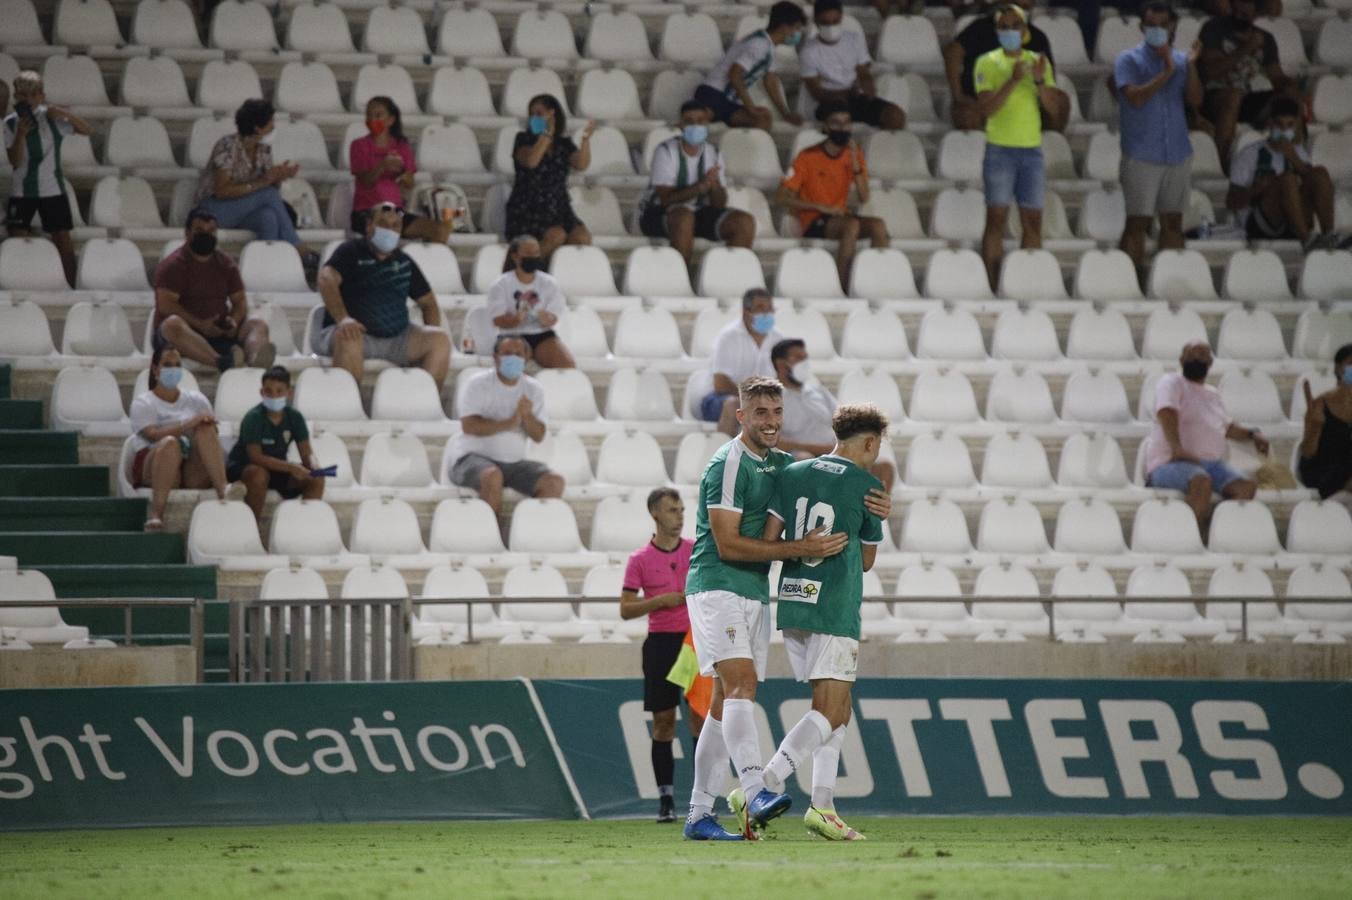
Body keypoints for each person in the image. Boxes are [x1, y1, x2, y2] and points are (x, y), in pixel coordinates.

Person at [681, 376, 891, 842]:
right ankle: (756, 788)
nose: (771, 422)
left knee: (721, 703)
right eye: (760, 413)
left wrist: (874, 503)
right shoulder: (727, 464)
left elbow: (819, 485)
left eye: (776, 413)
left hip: (755, 590)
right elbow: (727, 543)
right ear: (741, 416)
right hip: (716, 583)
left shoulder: (782, 465)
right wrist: (802, 546)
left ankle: (698, 813)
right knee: (742, 686)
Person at [759, 402, 889, 842]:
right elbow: (867, 560)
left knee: (839, 709)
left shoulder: (792, 474)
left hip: (794, 602)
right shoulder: (868, 487)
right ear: (870, 442)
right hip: (835, 605)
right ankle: (764, 784)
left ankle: (824, 806)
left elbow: (769, 541)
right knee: (830, 709)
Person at [620, 487, 703, 824]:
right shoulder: (639, 559)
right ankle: (666, 799)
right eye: (672, 510)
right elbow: (625, 609)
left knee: (700, 718)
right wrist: (660, 601)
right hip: (660, 645)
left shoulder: (696, 551)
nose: (680, 515)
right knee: (664, 722)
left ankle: (703, 797)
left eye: (682, 510)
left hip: (693, 642)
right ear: (655, 513)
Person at [974, 4, 1065, 291]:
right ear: (996, 31)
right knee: (996, 220)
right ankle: (992, 285)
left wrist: (1038, 81)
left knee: (1033, 221)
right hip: (999, 149)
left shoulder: (1039, 61)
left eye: (1015, 26)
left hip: (1031, 150)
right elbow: (987, 109)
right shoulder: (986, 62)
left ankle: (1027, 284)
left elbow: (1053, 109)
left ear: (1024, 31)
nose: (1009, 31)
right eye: (1003, 26)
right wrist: (1013, 82)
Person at [315, 201, 452, 388]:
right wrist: (343, 319)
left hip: (398, 338)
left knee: (439, 340)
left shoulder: (405, 262)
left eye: (396, 226)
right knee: (349, 338)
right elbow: (326, 279)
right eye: (384, 224)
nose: (390, 230)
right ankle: (349, 406)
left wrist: (431, 327)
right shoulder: (351, 251)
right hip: (357, 334)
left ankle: (423, 401)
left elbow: (428, 302)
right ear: (369, 226)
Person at [1115, 3, 1203, 270]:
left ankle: (1165, 281)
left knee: (1173, 222)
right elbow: (1136, 98)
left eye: (1163, 25)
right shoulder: (1128, 59)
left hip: (1177, 152)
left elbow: (1196, 100)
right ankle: (1129, 282)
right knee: (1137, 223)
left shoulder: (1181, 61)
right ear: (1142, 28)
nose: (1157, 30)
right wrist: (1166, 72)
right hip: (1142, 154)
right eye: (1151, 25)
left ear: (1172, 27)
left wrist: (1190, 66)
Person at [1145, 341, 1269, 526]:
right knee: (1201, 481)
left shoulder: (1213, 394)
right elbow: (1166, 412)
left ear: (1210, 363)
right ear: (1181, 360)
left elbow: (1227, 428)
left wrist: (1253, 434)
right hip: (1170, 463)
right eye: (1192, 355)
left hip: (1211, 465)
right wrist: (1178, 449)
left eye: (1202, 356)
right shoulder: (1171, 382)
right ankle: (1185, 538)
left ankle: (1211, 533)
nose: (1197, 359)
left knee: (1246, 487)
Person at [445, 334, 564, 521]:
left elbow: (539, 435)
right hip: (470, 459)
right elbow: (469, 426)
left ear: (527, 358)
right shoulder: (477, 384)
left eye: (518, 354)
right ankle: (492, 540)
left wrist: (527, 416)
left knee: (554, 482)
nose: (513, 358)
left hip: (513, 463)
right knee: (493, 476)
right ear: (495, 357)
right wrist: (510, 422)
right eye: (507, 353)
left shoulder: (534, 389)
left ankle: (526, 537)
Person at [776, 101, 887, 293]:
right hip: (814, 218)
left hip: (840, 216)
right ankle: (842, 288)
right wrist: (820, 207)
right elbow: (781, 198)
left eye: (847, 123)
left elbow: (864, 197)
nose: (843, 128)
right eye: (836, 123)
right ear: (826, 127)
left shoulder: (854, 153)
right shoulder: (807, 156)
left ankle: (874, 283)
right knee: (851, 225)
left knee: (878, 226)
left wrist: (854, 161)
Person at [154, 209, 275, 372]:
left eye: (211, 231)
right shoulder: (173, 265)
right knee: (172, 324)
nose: (206, 235)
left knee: (258, 324)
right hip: (184, 333)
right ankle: (222, 362)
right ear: (187, 233)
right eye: (200, 231)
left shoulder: (226, 264)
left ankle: (255, 364)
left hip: (219, 332)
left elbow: (239, 301)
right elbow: (166, 305)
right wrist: (200, 325)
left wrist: (233, 320)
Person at [194, 99, 313, 263]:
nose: (273, 127)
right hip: (214, 209)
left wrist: (279, 176)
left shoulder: (264, 149)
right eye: (271, 123)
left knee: (268, 217)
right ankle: (297, 247)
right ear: (257, 128)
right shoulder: (228, 146)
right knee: (268, 194)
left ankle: (263, 267)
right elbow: (221, 191)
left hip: (243, 210)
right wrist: (264, 183)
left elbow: (265, 185)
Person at [770, 338, 896, 492]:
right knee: (805, 460)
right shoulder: (772, 398)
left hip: (837, 450)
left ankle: (874, 515)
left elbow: (844, 421)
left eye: (805, 358)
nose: (805, 363)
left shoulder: (817, 391)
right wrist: (821, 449)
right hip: (802, 455)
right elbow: (775, 441)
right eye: (798, 358)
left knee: (883, 467)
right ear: (780, 364)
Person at [638, 101, 756, 265]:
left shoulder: (713, 153)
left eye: (700, 121)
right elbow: (665, 199)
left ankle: (730, 281)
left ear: (707, 123)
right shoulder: (665, 151)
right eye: (689, 121)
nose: (695, 126)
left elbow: (719, 204)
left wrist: (713, 185)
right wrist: (700, 186)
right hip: (656, 213)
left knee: (744, 222)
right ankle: (680, 281)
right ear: (680, 125)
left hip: (697, 212)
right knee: (684, 218)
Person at [4, 71, 91, 288]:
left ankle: (71, 286)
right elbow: (14, 160)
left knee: (63, 240)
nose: (25, 100)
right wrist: (21, 135)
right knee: (16, 242)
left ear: (40, 96)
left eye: (30, 95)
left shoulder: (52, 118)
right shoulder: (10, 123)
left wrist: (63, 113)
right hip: (22, 191)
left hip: (52, 188)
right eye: (20, 95)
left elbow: (87, 130)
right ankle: (15, 284)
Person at [129, 345, 229, 531]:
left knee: (206, 429)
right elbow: (152, 435)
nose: (173, 369)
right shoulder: (143, 402)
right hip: (157, 464)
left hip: (191, 468)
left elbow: (211, 438)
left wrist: (201, 426)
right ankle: (157, 515)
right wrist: (190, 424)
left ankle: (224, 491)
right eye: (167, 364)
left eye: (177, 365)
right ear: (155, 369)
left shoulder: (197, 399)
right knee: (170, 444)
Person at [1226, 95, 1339, 251]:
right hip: (1263, 222)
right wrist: (1255, 190)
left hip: (1294, 219)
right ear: (1270, 123)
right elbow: (1230, 202)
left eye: (1290, 125)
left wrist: (1292, 156)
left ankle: (1329, 237)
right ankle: (1307, 240)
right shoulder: (1249, 154)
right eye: (1279, 124)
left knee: (1320, 173)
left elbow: (1313, 181)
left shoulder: (1298, 151)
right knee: (1287, 180)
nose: (1284, 130)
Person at [1197, 0, 1294, 168]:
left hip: (1245, 98)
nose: (1240, 8)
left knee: (1289, 100)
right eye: (1238, 2)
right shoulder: (1214, 28)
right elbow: (1210, 71)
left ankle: (1290, 161)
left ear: (1256, 10)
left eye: (1247, 4)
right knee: (1233, 96)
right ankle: (1219, 164)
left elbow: (1276, 76)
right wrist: (1247, 47)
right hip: (1212, 97)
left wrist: (1290, 86)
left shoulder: (1265, 38)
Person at [225, 366, 324, 524]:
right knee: (259, 474)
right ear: (261, 392)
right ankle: (252, 527)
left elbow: (306, 453)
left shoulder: (295, 417)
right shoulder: (253, 418)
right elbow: (255, 457)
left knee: (316, 479)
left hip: (278, 469)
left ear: (289, 393)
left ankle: (305, 527)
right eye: (268, 391)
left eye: (279, 391)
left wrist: (314, 466)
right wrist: (291, 467)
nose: (274, 395)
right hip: (245, 468)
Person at [349, 96, 454, 244]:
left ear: (391, 120)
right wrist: (383, 165)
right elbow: (365, 181)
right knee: (388, 228)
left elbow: (409, 182)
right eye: (369, 115)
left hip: (395, 212)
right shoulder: (359, 145)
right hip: (367, 212)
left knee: (440, 229)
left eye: (378, 115)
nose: (372, 119)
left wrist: (403, 176)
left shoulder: (401, 146)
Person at [692, 1, 807, 131]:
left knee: (763, 117)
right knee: (760, 119)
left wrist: (786, 114)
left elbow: (770, 82)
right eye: (797, 28)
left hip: (725, 99)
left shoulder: (768, 46)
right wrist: (750, 108)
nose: (798, 33)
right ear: (785, 27)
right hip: (713, 94)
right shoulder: (759, 45)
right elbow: (734, 75)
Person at [505, 94, 593, 261]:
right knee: (556, 235)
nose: (533, 118)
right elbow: (531, 161)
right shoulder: (523, 140)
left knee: (582, 237)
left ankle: (559, 275)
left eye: (539, 114)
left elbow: (581, 164)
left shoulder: (563, 144)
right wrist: (546, 135)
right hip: (529, 208)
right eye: (531, 115)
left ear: (553, 114)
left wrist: (585, 140)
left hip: (558, 207)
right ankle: (526, 269)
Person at [944, 0, 1055, 131]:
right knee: (967, 113)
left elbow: (1047, 80)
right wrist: (959, 96)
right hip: (980, 101)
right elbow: (952, 53)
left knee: (1057, 109)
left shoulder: (1037, 38)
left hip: (1023, 102)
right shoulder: (981, 28)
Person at [799, 0, 906, 131]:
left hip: (855, 98)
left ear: (841, 18)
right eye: (825, 22)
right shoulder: (808, 51)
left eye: (835, 21)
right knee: (839, 119)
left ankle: (877, 148)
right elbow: (816, 92)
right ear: (816, 22)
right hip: (828, 102)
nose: (831, 27)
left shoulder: (853, 39)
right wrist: (845, 93)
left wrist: (867, 82)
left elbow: (862, 71)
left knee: (895, 116)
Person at [703, 288, 783, 436]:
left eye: (770, 309)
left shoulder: (778, 339)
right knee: (733, 405)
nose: (767, 313)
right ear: (746, 311)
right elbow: (720, 383)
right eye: (761, 309)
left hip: (765, 400)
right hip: (719, 400)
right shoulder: (728, 337)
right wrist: (753, 399)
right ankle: (726, 457)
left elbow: (783, 378)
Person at [486, 236, 575, 369]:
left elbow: (553, 316)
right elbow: (498, 320)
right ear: (515, 257)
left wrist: (547, 319)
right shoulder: (500, 285)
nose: (533, 257)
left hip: (542, 335)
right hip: (511, 335)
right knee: (512, 369)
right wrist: (516, 320)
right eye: (528, 254)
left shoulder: (549, 283)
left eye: (536, 253)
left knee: (567, 367)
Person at [1297, 345, 1352, 509]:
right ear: (1337, 368)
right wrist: (1315, 426)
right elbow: (1308, 452)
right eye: (1350, 364)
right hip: (1323, 468)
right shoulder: (1320, 404)